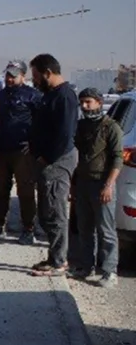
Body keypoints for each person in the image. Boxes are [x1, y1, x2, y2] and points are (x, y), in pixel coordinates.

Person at [27, 54, 79, 276]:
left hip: (57, 162)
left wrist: (46, 158)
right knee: (46, 212)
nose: (34, 81)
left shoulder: (65, 97)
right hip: (47, 162)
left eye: (36, 76)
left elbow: (64, 136)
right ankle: (53, 257)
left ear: (47, 73)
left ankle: (59, 262)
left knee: (55, 212)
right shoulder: (50, 95)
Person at [70, 88, 123, 288]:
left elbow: (117, 159)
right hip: (83, 183)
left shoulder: (111, 127)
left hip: (102, 183)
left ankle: (110, 271)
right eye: (82, 102)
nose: (85, 106)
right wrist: (74, 185)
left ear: (99, 103)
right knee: (85, 229)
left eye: (89, 102)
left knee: (106, 230)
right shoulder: (81, 126)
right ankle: (86, 266)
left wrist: (108, 185)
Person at [0, 61, 41, 244]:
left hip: (22, 152)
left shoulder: (33, 96)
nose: (9, 79)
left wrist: (34, 143)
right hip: (1, 150)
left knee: (25, 191)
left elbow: (41, 122)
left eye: (14, 75)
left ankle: (28, 228)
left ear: (23, 76)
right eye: (8, 75)